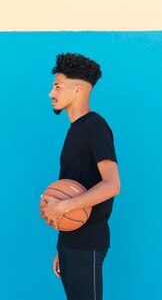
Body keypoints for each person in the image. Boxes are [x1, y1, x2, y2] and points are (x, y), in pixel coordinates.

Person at [39, 53, 121, 300]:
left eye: (57, 86)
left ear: (77, 89)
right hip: (72, 241)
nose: (51, 93)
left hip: (88, 242)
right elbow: (76, 184)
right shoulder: (75, 130)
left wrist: (63, 206)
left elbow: (112, 184)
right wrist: (61, 243)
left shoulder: (95, 126)